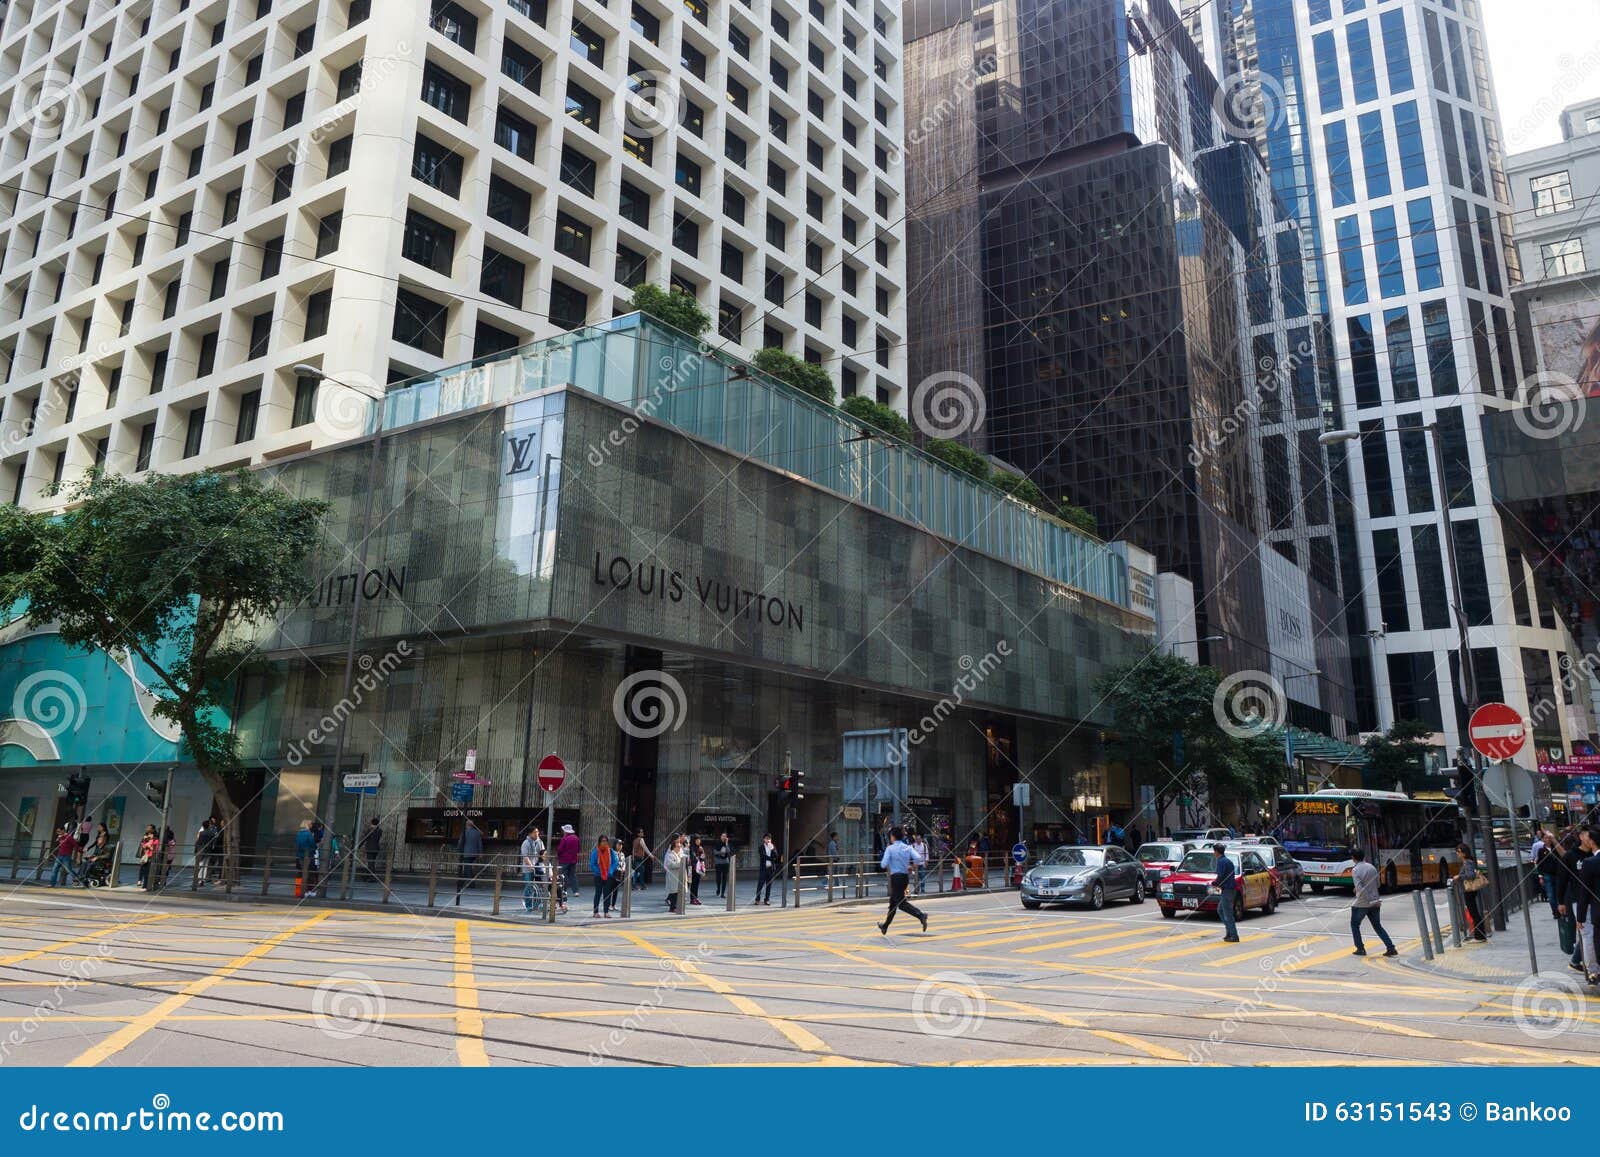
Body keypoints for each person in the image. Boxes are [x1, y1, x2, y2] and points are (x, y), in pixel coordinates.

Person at [877, 826, 929, 934]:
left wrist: (888, 857)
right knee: (893, 903)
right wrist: (912, 866)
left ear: (893, 837)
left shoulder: (890, 848)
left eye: (890, 836)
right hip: (905, 877)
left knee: (900, 903)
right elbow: (918, 858)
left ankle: (921, 915)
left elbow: (883, 864)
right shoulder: (908, 847)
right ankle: (885, 926)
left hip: (895, 878)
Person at [1348, 847, 1398, 956]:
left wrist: (1366, 897)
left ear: (1353, 858)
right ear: (1364, 856)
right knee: (1377, 926)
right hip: (1375, 901)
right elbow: (1378, 884)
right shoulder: (1372, 867)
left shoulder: (1355, 870)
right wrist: (1373, 898)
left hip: (1362, 903)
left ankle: (1360, 948)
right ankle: (1390, 947)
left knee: (1354, 924)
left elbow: (1360, 888)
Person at [1572, 827, 1600, 984]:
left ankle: (1595, 973)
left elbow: (1584, 893)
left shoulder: (1590, 863)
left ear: (1592, 841)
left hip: (1598, 914)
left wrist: (1580, 917)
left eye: (1587, 837)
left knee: (1597, 944)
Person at [1456, 842, 1489, 941]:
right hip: (1470, 891)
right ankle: (1480, 935)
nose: (1457, 854)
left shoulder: (1467, 863)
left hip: (1469, 890)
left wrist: (1459, 876)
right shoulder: (1468, 862)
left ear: (1463, 853)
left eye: (1458, 852)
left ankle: (1480, 936)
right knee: (1474, 912)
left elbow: (1471, 875)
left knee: (1474, 913)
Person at [1211, 842, 1239, 942]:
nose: (1213, 853)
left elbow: (1221, 876)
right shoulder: (1227, 861)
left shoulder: (1221, 861)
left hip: (1228, 890)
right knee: (1221, 910)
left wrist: (1214, 883)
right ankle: (1229, 932)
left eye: (1214, 851)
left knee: (1228, 914)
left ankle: (1234, 936)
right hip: (1229, 889)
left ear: (1217, 852)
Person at [520, 826, 546, 914]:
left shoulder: (540, 842)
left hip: (537, 867)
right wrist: (530, 865)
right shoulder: (526, 843)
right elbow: (525, 856)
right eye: (535, 832)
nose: (537, 833)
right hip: (528, 869)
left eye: (537, 832)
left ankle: (537, 904)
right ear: (530, 833)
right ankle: (528, 906)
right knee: (529, 887)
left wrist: (544, 858)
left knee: (538, 887)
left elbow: (543, 853)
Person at [591, 836, 615, 918]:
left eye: (606, 841)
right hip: (598, 875)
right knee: (598, 893)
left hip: (608, 875)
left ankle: (606, 912)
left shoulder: (611, 852)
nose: (604, 842)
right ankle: (595, 912)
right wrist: (599, 871)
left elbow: (615, 863)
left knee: (607, 894)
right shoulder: (595, 852)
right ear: (599, 842)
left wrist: (610, 871)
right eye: (602, 841)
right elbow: (592, 864)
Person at [557, 824, 580, 909]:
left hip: (564, 860)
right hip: (573, 859)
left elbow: (560, 849)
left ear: (565, 831)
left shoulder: (564, 839)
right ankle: (576, 891)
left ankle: (564, 891)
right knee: (572, 875)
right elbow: (578, 849)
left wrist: (558, 854)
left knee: (563, 877)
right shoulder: (576, 838)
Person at [294, 820, 318, 897]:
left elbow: (297, 844)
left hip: (299, 856)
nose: (312, 825)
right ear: (307, 825)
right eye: (311, 824)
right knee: (310, 873)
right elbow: (313, 844)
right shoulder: (308, 834)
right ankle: (309, 890)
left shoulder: (299, 833)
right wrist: (314, 849)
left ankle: (300, 890)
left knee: (301, 872)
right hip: (308, 856)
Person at [663, 836, 687, 912]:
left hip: (679, 876)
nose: (679, 848)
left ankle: (675, 906)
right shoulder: (670, 854)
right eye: (678, 847)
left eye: (680, 847)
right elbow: (670, 864)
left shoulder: (680, 854)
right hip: (673, 876)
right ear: (674, 847)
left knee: (677, 892)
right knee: (674, 892)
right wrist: (680, 863)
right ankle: (672, 908)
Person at [755, 833, 780, 905]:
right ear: (764, 839)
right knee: (760, 884)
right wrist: (771, 858)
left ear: (771, 839)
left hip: (770, 869)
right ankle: (757, 899)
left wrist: (772, 849)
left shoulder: (773, 847)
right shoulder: (761, 847)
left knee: (769, 885)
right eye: (766, 838)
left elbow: (776, 856)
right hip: (763, 869)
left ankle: (767, 899)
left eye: (769, 839)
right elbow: (763, 856)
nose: (768, 840)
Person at [137, 825, 160, 889]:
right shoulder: (146, 838)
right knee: (143, 870)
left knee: (147, 871)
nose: (149, 835)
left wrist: (149, 846)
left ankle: (145, 886)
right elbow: (142, 845)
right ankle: (141, 882)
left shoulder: (156, 840)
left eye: (151, 834)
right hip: (145, 856)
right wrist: (145, 843)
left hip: (150, 856)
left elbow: (155, 849)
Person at [713, 832, 734, 898]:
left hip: (725, 862)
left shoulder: (727, 844)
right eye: (722, 836)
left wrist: (727, 843)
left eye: (725, 836)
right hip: (718, 862)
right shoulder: (717, 843)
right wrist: (721, 852)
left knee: (724, 878)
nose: (724, 837)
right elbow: (714, 852)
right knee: (718, 878)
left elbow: (728, 851)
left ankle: (722, 893)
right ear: (720, 837)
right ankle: (718, 888)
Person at [688, 837, 706, 905]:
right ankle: (692, 899)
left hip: (698, 869)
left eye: (699, 840)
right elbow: (693, 857)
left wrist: (702, 851)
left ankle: (695, 898)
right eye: (697, 840)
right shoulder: (692, 847)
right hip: (692, 868)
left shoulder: (700, 848)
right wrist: (699, 859)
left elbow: (703, 857)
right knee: (693, 884)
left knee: (697, 883)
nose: (699, 841)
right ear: (694, 840)